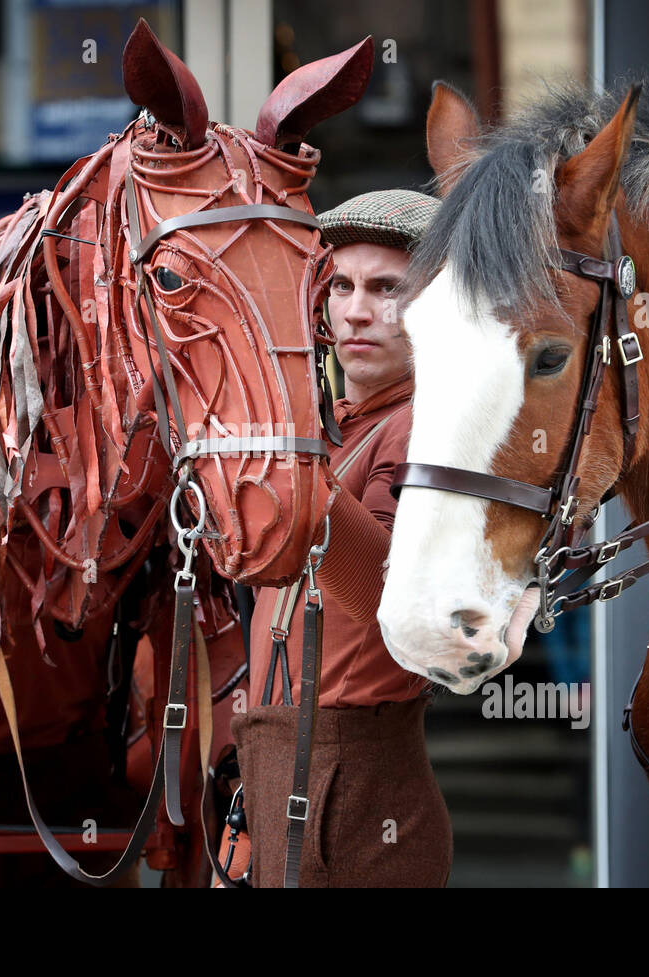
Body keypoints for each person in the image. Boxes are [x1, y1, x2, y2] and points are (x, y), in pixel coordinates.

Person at [229, 189, 451, 887]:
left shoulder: (429, 427)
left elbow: (387, 596)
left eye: (387, 289)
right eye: (343, 286)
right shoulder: (340, 429)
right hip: (279, 776)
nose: (356, 309)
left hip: (359, 802)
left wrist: (293, 463)